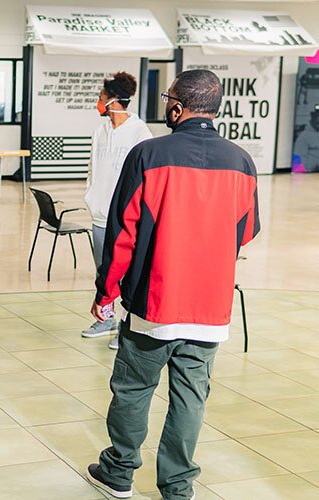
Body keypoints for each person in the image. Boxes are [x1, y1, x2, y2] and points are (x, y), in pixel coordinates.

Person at [85, 69, 260, 500]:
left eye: (168, 98)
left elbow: (122, 233)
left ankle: (119, 472)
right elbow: (247, 230)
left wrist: (105, 293)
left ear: (177, 106)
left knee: (132, 388)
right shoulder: (242, 162)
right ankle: (178, 487)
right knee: (190, 398)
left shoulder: (148, 155)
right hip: (210, 308)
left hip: (154, 305)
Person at [82, 72, 152, 350]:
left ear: (112, 101)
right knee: (104, 271)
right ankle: (106, 319)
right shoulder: (100, 131)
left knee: (124, 273)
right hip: (99, 213)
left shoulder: (139, 132)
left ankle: (126, 327)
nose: (97, 104)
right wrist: (91, 196)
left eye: (100, 99)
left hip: (125, 217)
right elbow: (92, 169)